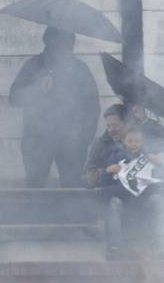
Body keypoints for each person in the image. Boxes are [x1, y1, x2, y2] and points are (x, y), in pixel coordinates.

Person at [8, 28, 100, 188]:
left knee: (72, 186)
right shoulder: (33, 65)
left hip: (72, 140)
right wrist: (37, 88)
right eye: (61, 44)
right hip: (37, 138)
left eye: (69, 45)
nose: (66, 50)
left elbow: (92, 105)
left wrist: (85, 137)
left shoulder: (80, 69)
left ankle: (71, 214)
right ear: (49, 43)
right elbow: (14, 99)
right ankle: (35, 214)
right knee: (35, 186)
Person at [100, 126, 164, 260]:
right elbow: (104, 184)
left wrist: (160, 166)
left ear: (142, 143)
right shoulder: (115, 157)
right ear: (124, 142)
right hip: (124, 200)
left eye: (137, 141)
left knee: (159, 201)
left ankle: (162, 247)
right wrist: (108, 171)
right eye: (130, 141)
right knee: (114, 203)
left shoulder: (149, 158)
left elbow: (159, 181)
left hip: (145, 199)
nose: (134, 144)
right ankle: (114, 248)